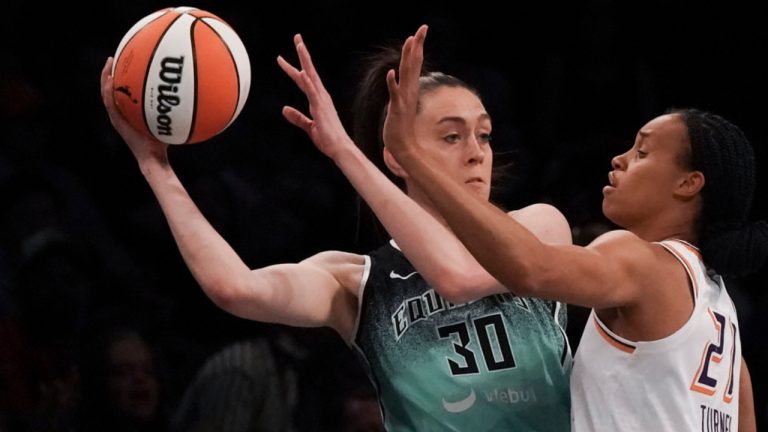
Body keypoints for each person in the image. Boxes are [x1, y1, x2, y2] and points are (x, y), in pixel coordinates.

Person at [100, 27, 572, 430]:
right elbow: (234, 287)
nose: (477, 152)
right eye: (452, 135)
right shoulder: (358, 282)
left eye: (484, 134)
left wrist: (343, 150)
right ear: (396, 155)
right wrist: (155, 167)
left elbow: (460, 277)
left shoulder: (539, 227)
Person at [382, 25, 763, 431]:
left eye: (643, 152)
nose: (619, 159)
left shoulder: (641, 260)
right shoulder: (722, 317)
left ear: (688, 183)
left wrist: (412, 157)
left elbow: (529, 268)